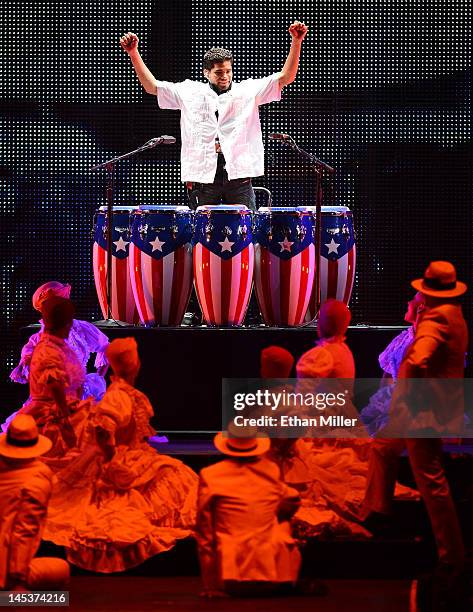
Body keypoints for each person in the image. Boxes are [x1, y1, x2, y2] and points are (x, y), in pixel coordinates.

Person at [356, 261, 468, 607]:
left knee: (431, 481)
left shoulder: (436, 319)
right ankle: (377, 512)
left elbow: (419, 359)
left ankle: (452, 558)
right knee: (383, 448)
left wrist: (406, 389)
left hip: (422, 411)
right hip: (417, 409)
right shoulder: (454, 313)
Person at [43, 337, 198, 573]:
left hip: (135, 454)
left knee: (175, 475)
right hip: (123, 459)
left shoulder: (127, 393)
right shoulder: (119, 395)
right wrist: (112, 459)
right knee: (172, 477)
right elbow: (104, 428)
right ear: (134, 364)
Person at [119, 22, 308, 209]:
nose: (225, 76)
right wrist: (133, 53)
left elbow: (285, 77)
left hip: (239, 178)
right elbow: (152, 86)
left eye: (228, 71)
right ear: (206, 73)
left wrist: (296, 42)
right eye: (219, 72)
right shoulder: (189, 91)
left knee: (243, 232)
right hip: (203, 179)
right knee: (202, 234)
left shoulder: (248, 90)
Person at [195, 422, 302, 598]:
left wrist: (210, 585)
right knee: (281, 523)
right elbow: (293, 498)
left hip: (230, 575)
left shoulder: (211, 474)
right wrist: (281, 517)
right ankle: (286, 571)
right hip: (272, 574)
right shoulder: (271, 470)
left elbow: (205, 532)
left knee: (217, 530)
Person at [9, 281, 109, 405]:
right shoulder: (37, 340)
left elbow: (105, 347)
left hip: (82, 394)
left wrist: (98, 378)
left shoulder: (81, 329)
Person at [0, 414, 70, 591]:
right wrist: (18, 580)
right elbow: (25, 529)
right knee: (61, 569)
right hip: (5, 567)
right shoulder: (37, 477)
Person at [17, 297, 89, 464]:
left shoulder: (58, 346)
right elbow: (54, 385)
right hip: (52, 418)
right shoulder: (47, 350)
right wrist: (66, 421)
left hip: (69, 410)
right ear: (66, 322)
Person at [360, 292, 426, 436]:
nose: (409, 302)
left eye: (414, 299)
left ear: (422, 308)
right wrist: (381, 405)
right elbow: (387, 376)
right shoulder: (403, 338)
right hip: (391, 402)